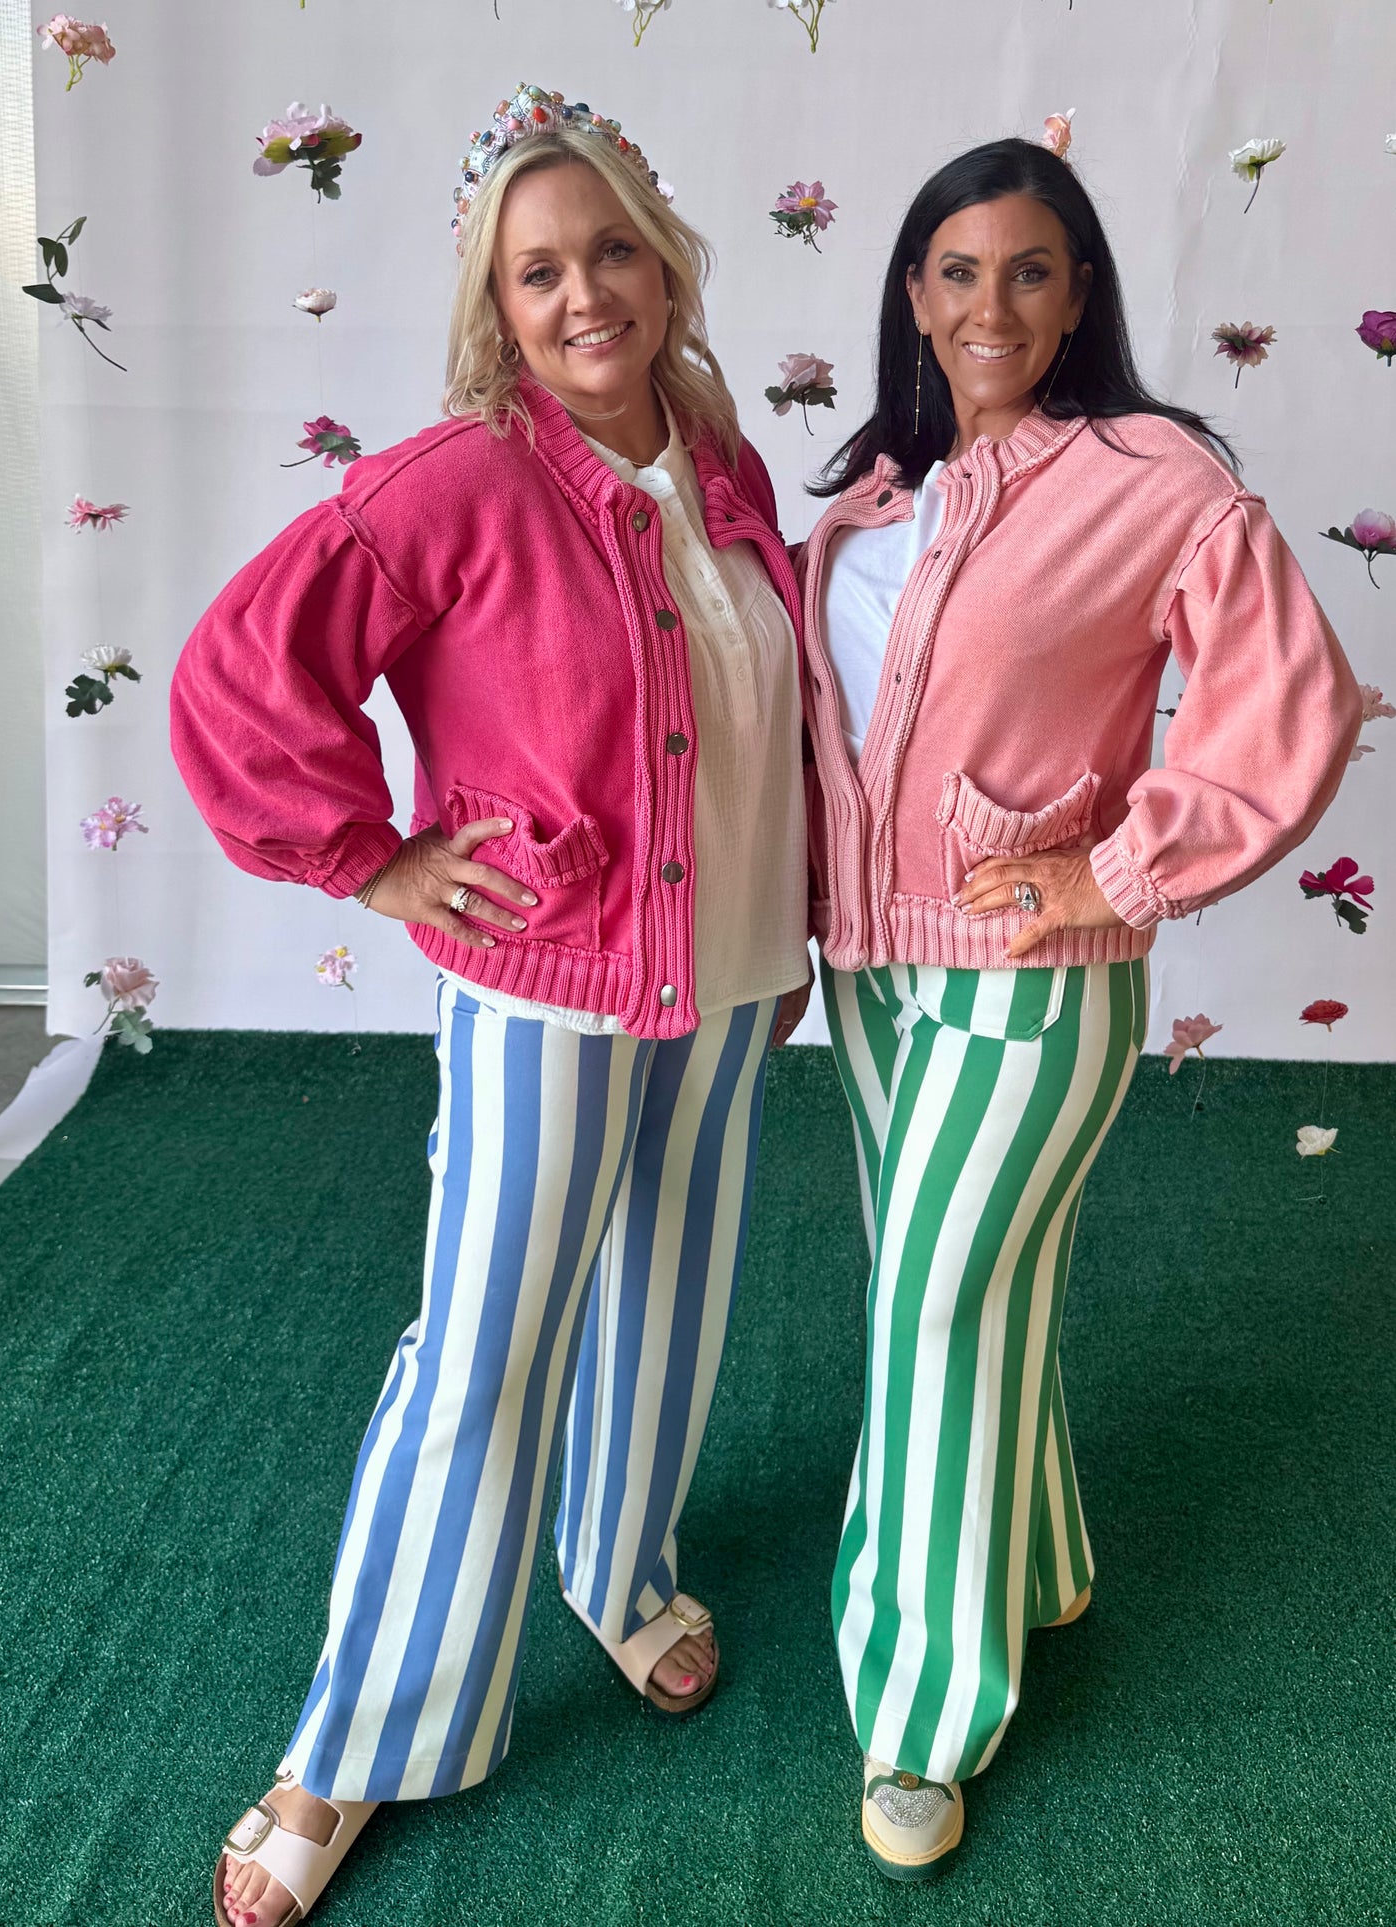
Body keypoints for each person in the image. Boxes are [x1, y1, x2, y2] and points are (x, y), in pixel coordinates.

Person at [171, 85, 811, 1927]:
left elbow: (764, 714)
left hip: (727, 974)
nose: (585, 292)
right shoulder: (453, 478)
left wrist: (796, 931)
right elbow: (238, 677)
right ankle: (353, 1745)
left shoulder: (718, 454)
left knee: (670, 1304)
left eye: (611, 247)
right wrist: (370, 856)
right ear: (497, 301)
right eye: (540, 270)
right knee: (478, 1358)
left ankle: (619, 1571)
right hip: (545, 989)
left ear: (667, 255)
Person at [797, 137, 1361, 1881]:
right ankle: (1035, 1561)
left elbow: (1292, 705)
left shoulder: (1152, 474)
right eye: (956, 273)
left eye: (1029, 272)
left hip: (1039, 985)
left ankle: (917, 1710)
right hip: (873, 972)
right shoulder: (870, 488)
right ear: (909, 292)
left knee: (925, 1312)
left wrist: (1109, 876)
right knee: (966, 1289)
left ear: (1080, 295)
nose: (990, 306)